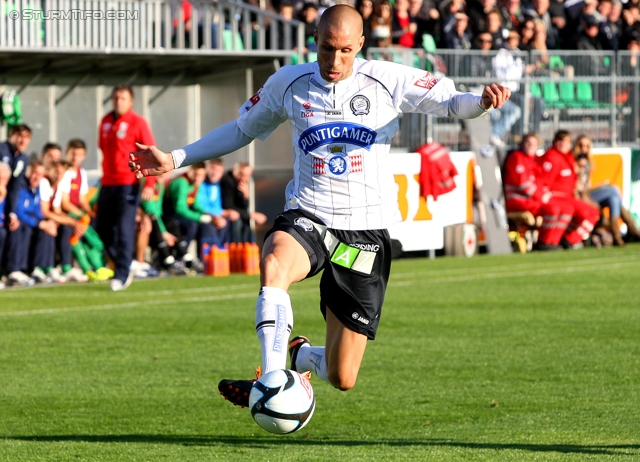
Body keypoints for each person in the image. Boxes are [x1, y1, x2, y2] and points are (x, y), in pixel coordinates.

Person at [129, 4, 510, 408]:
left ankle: (298, 356)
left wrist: (481, 102)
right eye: (327, 48)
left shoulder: (388, 79)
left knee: (342, 376)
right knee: (274, 262)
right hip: (309, 215)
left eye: (345, 50)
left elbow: (453, 102)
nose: (334, 59)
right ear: (314, 40)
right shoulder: (288, 83)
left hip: (364, 233)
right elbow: (242, 129)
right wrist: (175, 158)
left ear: (360, 44)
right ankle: (273, 379)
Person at [98, 84, 157, 291]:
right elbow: (103, 150)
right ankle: (125, 263)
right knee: (102, 227)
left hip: (128, 184)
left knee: (124, 229)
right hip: (107, 183)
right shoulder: (105, 121)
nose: (118, 101)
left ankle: (121, 274)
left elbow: (151, 152)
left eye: (123, 98)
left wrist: (150, 182)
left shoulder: (138, 122)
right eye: (115, 97)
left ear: (130, 102)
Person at [503, 133, 572, 250]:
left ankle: (553, 241)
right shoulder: (516, 158)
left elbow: (539, 183)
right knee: (553, 209)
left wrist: (545, 193)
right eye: (528, 143)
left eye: (534, 144)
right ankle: (543, 242)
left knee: (567, 208)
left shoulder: (534, 161)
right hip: (518, 200)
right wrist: (542, 196)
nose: (531, 146)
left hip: (531, 200)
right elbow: (523, 184)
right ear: (522, 144)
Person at [537, 130, 600, 249]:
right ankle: (554, 241)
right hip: (557, 197)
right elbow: (545, 181)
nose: (565, 145)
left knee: (592, 212)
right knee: (575, 210)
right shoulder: (552, 157)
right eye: (561, 142)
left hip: (568, 196)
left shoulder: (568, 157)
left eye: (567, 142)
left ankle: (569, 239)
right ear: (555, 142)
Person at [572, 135, 640, 245]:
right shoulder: (572, 160)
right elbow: (576, 187)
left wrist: (601, 185)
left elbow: (587, 185)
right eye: (581, 145)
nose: (583, 148)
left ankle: (618, 236)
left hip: (587, 194)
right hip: (579, 195)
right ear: (576, 146)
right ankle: (627, 232)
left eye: (587, 146)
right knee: (613, 191)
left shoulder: (588, 162)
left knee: (614, 197)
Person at [4, 159, 58, 286]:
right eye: (34, 173)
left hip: (28, 222)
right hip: (16, 221)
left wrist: (48, 223)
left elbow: (37, 211)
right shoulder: (20, 185)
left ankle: (39, 268)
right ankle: (14, 269)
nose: (36, 177)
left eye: (40, 175)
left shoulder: (36, 188)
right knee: (21, 227)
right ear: (28, 172)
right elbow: (19, 210)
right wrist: (38, 223)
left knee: (46, 229)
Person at [220, 161, 267, 244]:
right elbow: (228, 205)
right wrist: (251, 215)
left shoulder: (242, 183)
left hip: (236, 214)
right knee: (237, 220)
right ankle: (236, 248)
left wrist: (246, 195)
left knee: (245, 222)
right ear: (233, 170)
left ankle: (247, 247)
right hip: (223, 213)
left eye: (246, 176)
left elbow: (244, 207)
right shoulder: (227, 181)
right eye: (240, 174)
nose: (242, 178)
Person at [197, 159, 239, 247]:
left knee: (228, 223)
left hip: (216, 215)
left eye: (218, 171)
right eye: (213, 169)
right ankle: (208, 255)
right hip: (202, 214)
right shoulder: (201, 184)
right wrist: (221, 213)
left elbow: (218, 204)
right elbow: (201, 206)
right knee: (209, 224)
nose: (214, 173)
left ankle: (223, 252)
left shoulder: (219, 185)